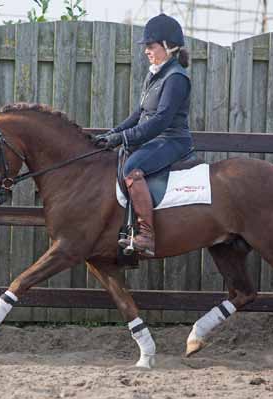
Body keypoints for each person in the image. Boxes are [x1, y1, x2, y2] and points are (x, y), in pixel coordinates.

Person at [92, 13, 193, 257]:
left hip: (172, 140)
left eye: (151, 46)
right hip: (155, 138)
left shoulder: (176, 77)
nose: (146, 51)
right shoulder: (155, 75)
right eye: (146, 47)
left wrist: (124, 139)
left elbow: (160, 121)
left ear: (168, 46)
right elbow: (139, 114)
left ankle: (147, 236)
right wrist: (113, 133)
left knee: (133, 167)